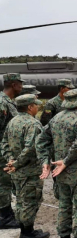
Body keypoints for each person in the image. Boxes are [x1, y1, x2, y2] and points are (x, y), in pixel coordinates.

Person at [36, 88, 77, 238]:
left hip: (60, 175)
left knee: (64, 207)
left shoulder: (56, 118)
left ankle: (63, 235)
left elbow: (41, 140)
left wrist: (45, 161)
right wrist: (67, 161)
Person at [1, 94, 49, 238]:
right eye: (35, 104)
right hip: (30, 170)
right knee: (31, 201)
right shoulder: (33, 124)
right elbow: (30, 149)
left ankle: (25, 229)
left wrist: (10, 160)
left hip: (16, 170)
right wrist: (17, 163)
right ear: (29, 107)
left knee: (21, 200)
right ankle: (27, 233)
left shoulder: (13, 121)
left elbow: (3, 143)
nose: (38, 107)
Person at [0, 73, 24, 230]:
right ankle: (4, 217)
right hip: (1, 151)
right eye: (20, 84)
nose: (22, 87)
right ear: (14, 85)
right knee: (3, 184)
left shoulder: (9, 102)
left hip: (5, 149)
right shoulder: (2, 103)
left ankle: (6, 213)